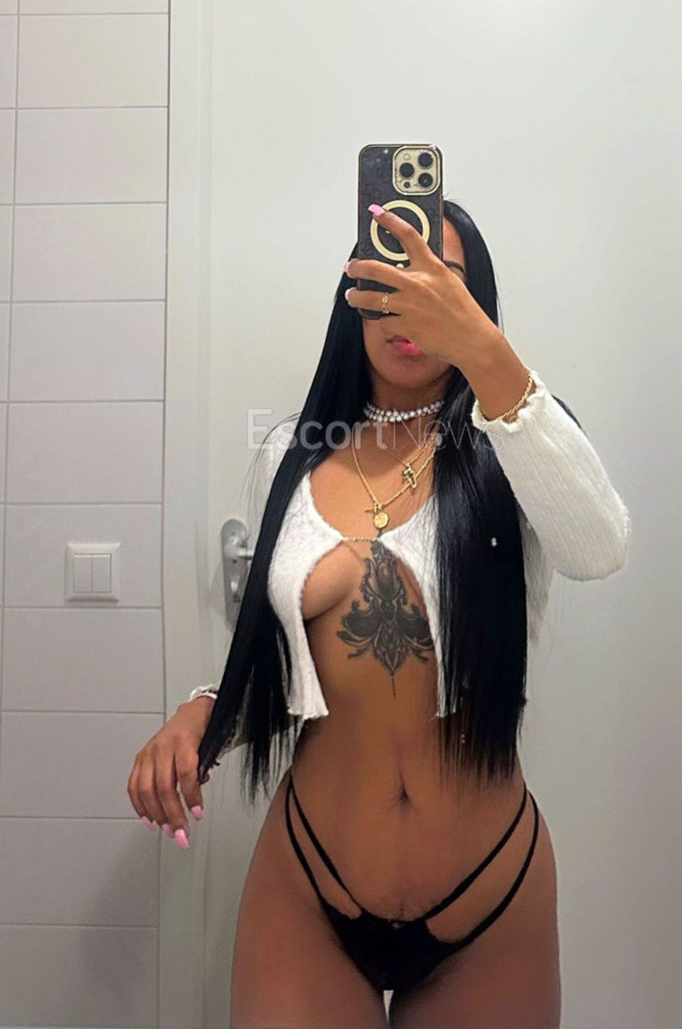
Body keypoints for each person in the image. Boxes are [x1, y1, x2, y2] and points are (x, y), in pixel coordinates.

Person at [128, 200, 631, 1028]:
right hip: (309, 886)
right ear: (351, 295)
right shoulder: (291, 453)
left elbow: (598, 547)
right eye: (386, 279)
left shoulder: (517, 437)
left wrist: (488, 357)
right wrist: (202, 714)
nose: (409, 303)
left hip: (489, 896)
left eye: (440, 284)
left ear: (473, 304)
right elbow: (284, 671)